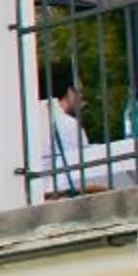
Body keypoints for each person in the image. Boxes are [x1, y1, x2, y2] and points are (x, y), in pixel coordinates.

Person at [43, 62, 96, 198]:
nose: (82, 96)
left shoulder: (37, 121)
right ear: (69, 92)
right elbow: (83, 172)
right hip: (60, 196)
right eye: (79, 90)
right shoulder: (68, 124)